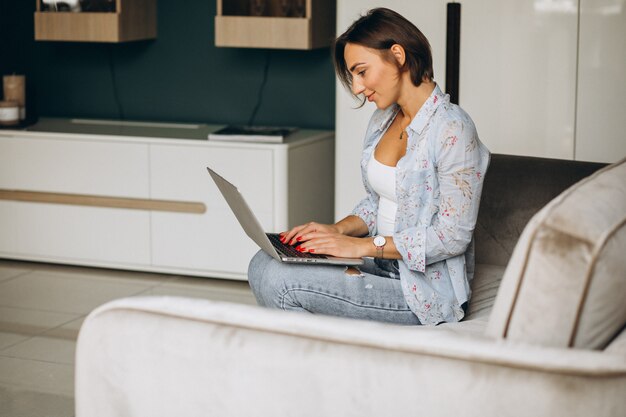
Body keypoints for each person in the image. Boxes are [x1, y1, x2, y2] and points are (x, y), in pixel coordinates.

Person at [248, 7, 490, 325]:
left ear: (398, 55)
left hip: (421, 287)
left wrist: (360, 246)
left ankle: (318, 362)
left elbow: (451, 236)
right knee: (262, 263)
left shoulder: (453, 129)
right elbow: (379, 204)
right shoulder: (383, 119)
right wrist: (336, 231)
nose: (358, 88)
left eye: (361, 72)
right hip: (377, 262)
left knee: (280, 282)